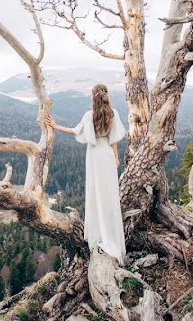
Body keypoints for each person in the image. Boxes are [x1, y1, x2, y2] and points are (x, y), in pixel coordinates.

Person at [47, 83, 126, 264]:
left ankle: (97, 234)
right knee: (109, 196)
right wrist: (116, 157)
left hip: (94, 155)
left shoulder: (89, 116)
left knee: (96, 193)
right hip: (106, 154)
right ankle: (112, 236)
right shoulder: (113, 114)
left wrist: (56, 126)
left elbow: (76, 131)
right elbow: (114, 139)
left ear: (93, 97)